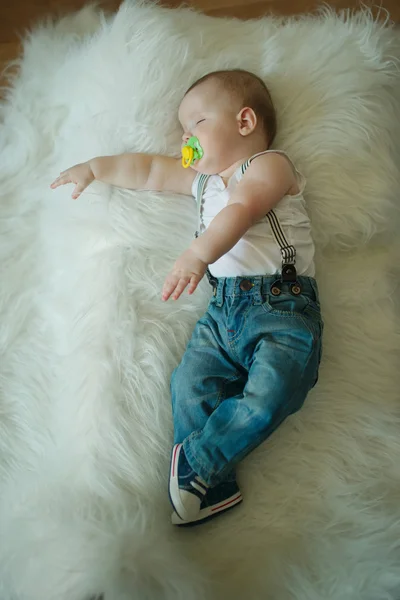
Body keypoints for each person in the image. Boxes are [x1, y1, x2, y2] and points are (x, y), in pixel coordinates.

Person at [51, 69, 323, 527]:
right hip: (223, 313)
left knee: (277, 388)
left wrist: (198, 253)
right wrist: (97, 168)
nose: (185, 136)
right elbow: (151, 170)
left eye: (196, 122)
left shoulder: (269, 165)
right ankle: (211, 487)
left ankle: (197, 462)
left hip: (281, 307)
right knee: (188, 385)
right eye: (182, 128)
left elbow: (243, 208)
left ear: (243, 122)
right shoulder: (203, 181)